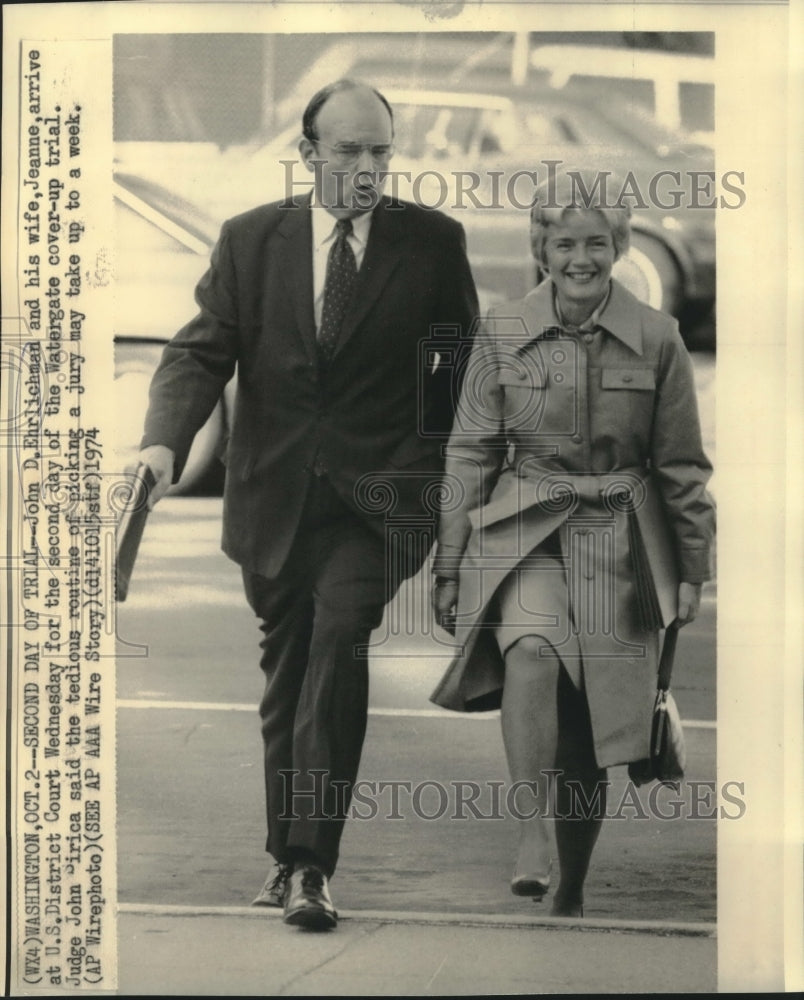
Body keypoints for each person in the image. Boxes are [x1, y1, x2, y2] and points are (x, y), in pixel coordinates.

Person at [136, 79, 478, 930]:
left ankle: (312, 866)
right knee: (286, 675)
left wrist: (435, 482)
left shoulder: (432, 244)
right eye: (351, 151)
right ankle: (283, 855)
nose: (368, 170)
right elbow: (197, 353)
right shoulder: (252, 242)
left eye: (382, 153)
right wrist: (162, 441)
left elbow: (464, 374)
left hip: (381, 501)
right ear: (310, 153)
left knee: (337, 646)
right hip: (273, 497)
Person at [430, 175, 714, 918]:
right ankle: (531, 835)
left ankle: (574, 887)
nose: (580, 258)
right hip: (525, 527)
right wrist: (450, 561)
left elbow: (681, 466)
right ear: (540, 250)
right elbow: (468, 452)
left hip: (621, 543)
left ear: (620, 247)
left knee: (587, 737)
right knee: (530, 652)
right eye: (563, 242)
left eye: (596, 242)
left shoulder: (660, 339)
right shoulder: (501, 333)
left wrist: (692, 573)